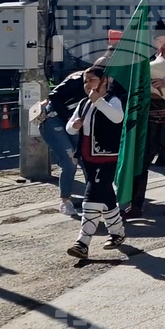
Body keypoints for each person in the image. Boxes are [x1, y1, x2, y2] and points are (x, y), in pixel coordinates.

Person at [123, 21, 165, 220]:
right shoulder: (150, 60)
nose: (164, 45)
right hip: (151, 119)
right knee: (141, 162)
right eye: (159, 41)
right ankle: (136, 204)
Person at [66, 65, 125, 260]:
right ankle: (117, 233)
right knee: (105, 195)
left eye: (91, 79)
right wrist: (74, 126)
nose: (87, 84)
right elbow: (70, 127)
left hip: (107, 156)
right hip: (88, 157)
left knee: (92, 195)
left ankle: (83, 242)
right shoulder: (84, 103)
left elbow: (118, 118)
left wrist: (98, 100)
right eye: (85, 80)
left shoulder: (111, 100)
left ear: (104, 81)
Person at [43, 68, 88, 216]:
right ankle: (65, 200)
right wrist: (68, 118)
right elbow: (54, 96)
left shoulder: (107, 85)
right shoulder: (77, 79)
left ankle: (93, 197)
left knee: (85, 158)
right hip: (54, 119)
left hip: (73, 121)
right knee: (70, 160)